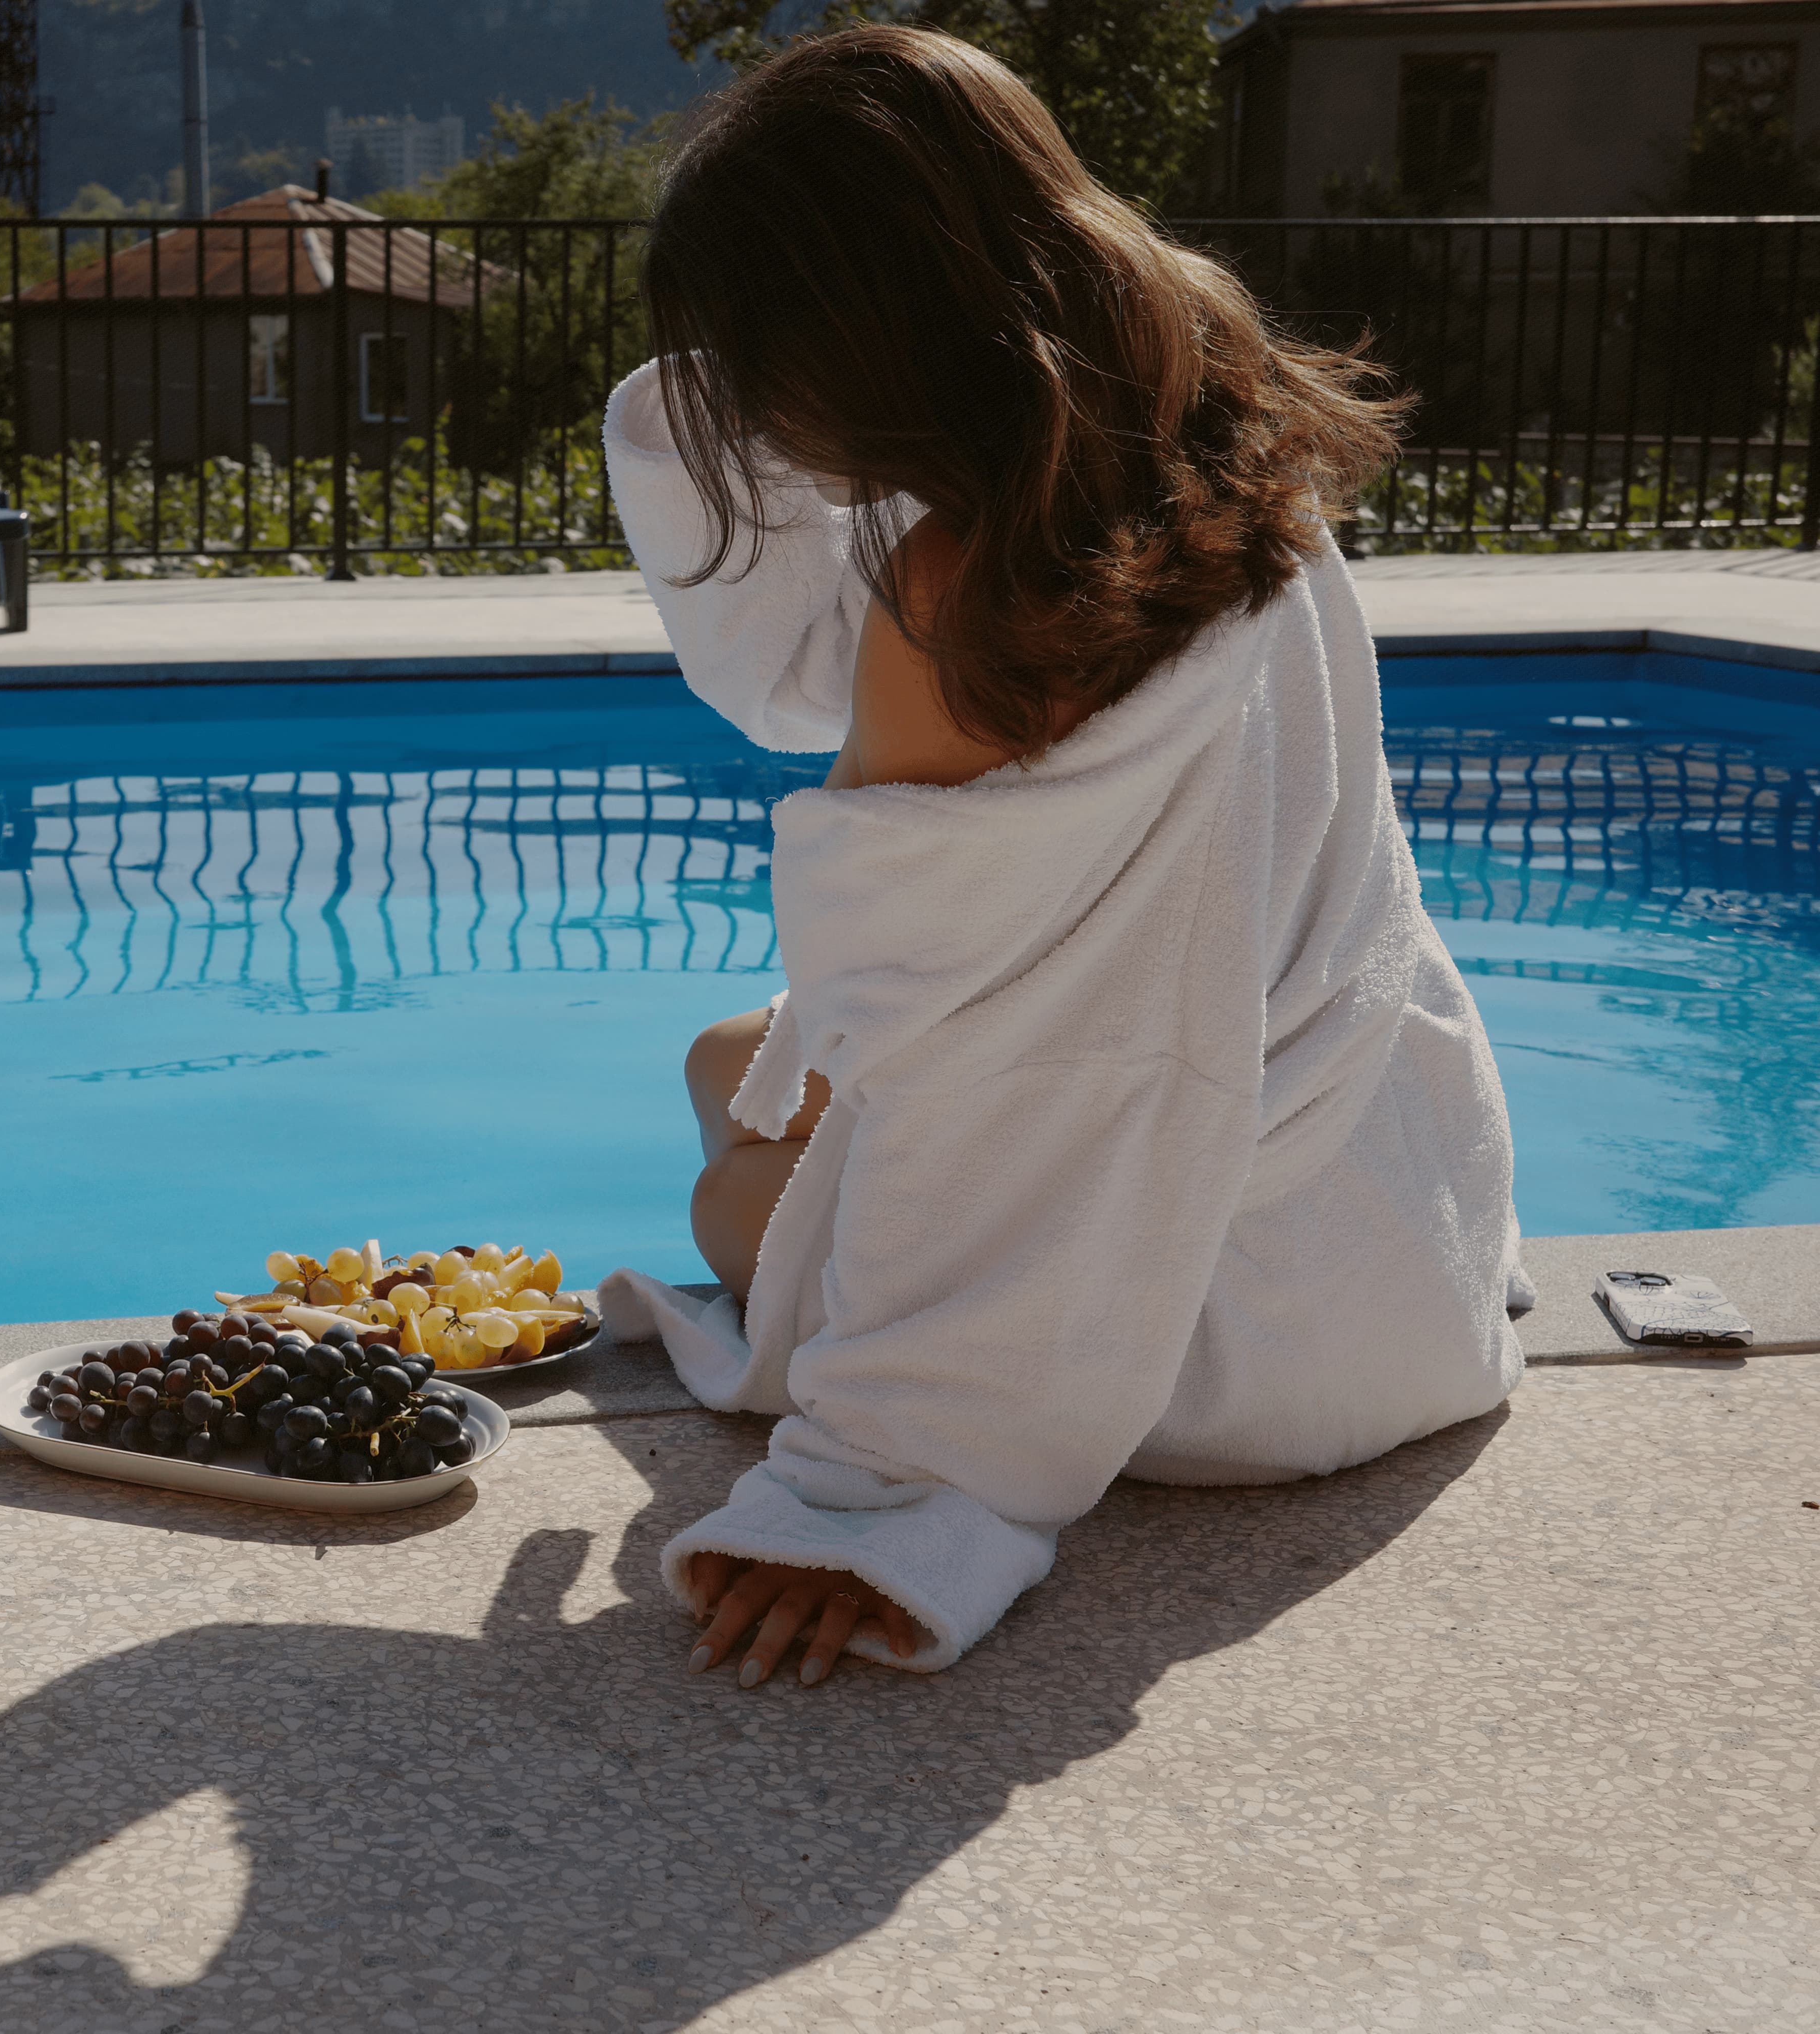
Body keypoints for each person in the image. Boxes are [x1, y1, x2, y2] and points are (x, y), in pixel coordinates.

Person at [595, 26, 1531, 1693]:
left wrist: (889, 1487)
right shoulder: (1205, 428)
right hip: (1393, 1243)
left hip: (1217, 1353)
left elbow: (1006, 1100)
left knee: (724, 1183)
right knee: (729, 1057)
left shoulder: (958, 607)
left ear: (837, 345)